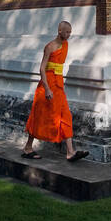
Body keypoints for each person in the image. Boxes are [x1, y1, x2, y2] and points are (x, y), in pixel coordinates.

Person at [21, 20, 86, 161]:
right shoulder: (50, 47)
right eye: (66, 32)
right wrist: (47, 89)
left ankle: (70, 152)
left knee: (66, 115)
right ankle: (28, 147)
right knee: (40, 116)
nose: (68, 35)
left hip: (58, 85)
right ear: (59, 31)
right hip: (47, 86)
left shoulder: (65, 45)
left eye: (70, 32)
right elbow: (42, 69)